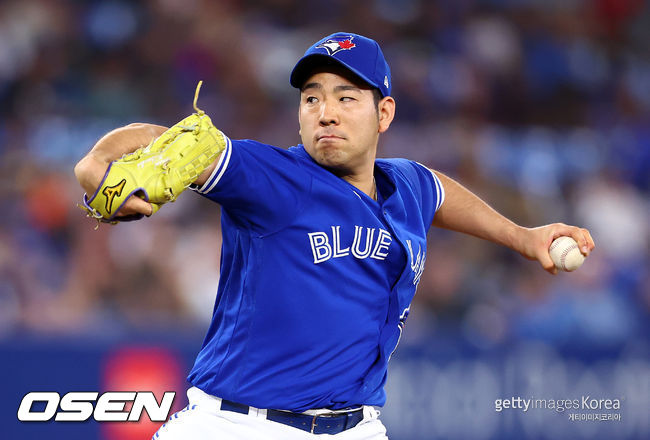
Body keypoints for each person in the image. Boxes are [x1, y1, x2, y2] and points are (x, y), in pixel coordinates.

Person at [74, 32, 595, 440]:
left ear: (383, 112)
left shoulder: (407, 183)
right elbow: (173, 139)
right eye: (312, 98)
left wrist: (523, 236)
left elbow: (437, 193)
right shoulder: (274, 180)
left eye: (347, 97)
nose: (325, 112)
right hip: (237, 426)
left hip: (357, 426)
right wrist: (97, 160)